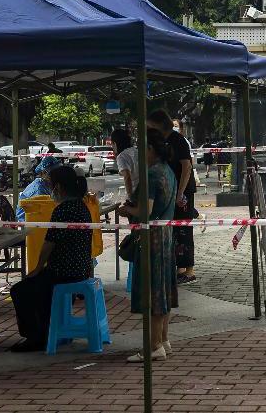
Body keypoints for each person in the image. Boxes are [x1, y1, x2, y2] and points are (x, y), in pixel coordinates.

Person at [9, 166, 93, 353]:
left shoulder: (63, 210)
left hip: (64, 272)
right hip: (80, 268)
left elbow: (48, 245)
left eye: (51, 185)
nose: (50, 190)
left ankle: (35, 337)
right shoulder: (81, 206)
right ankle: (48, 330)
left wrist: (37, 268)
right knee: (38, 287)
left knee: (20, 290)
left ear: (59, 187)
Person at [118, 129, 179, 362]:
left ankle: (153, 346)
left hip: (152, 239)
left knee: (153, 292)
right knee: (163, 289)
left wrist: (127, 210)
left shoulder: (152, 174)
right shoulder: (168, 171)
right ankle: (163, 340)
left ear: (151, 149)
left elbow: (146, 210)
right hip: (166, 236)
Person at [147, 109, 197, 284]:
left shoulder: (178, 140)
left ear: (159, 125)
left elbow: (186, 167)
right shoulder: (165, 140)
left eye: (150, 126)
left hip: (183, 191)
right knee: (175, 229)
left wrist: (180, 192)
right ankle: (180, 268)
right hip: (172, 189)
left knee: (183, 229)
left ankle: (188, 270)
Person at [15, 156, 62, 222]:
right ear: (43, 174)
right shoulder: (39, 190)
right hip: (29, 223)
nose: (57, 175)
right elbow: (45, 212)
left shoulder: (48, 184)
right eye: (52, 173)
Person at [110, 128, 138, 202]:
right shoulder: (136, 151)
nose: (112, 147)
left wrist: (130, 197)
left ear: (115, 143)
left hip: (136, 194)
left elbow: (127, 176)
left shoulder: (122, 156)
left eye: (111, 144)